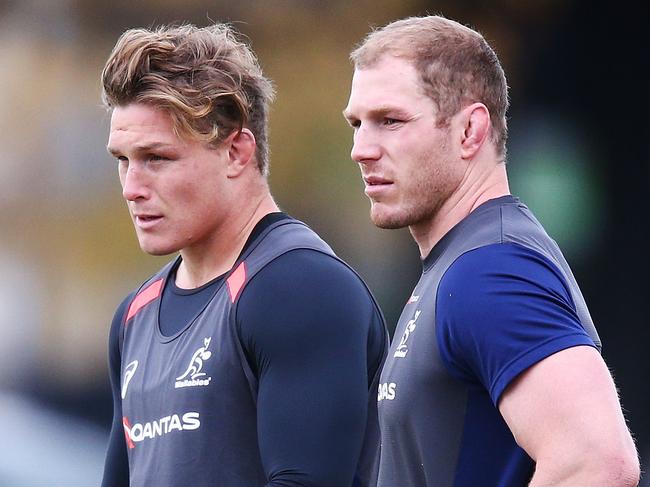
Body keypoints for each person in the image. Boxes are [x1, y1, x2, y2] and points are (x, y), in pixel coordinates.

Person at [343, 15, 640, 487]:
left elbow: (598, 463)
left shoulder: (490, 269)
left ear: (470, 131)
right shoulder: (457, 265)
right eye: (358, 123)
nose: (361, 148)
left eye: (390, 121)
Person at [100, 23, 387, 487]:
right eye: (122, 160)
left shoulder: (298, 289)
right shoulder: (134, 316)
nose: (132, 188)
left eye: (156, 158)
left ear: (236, 152)